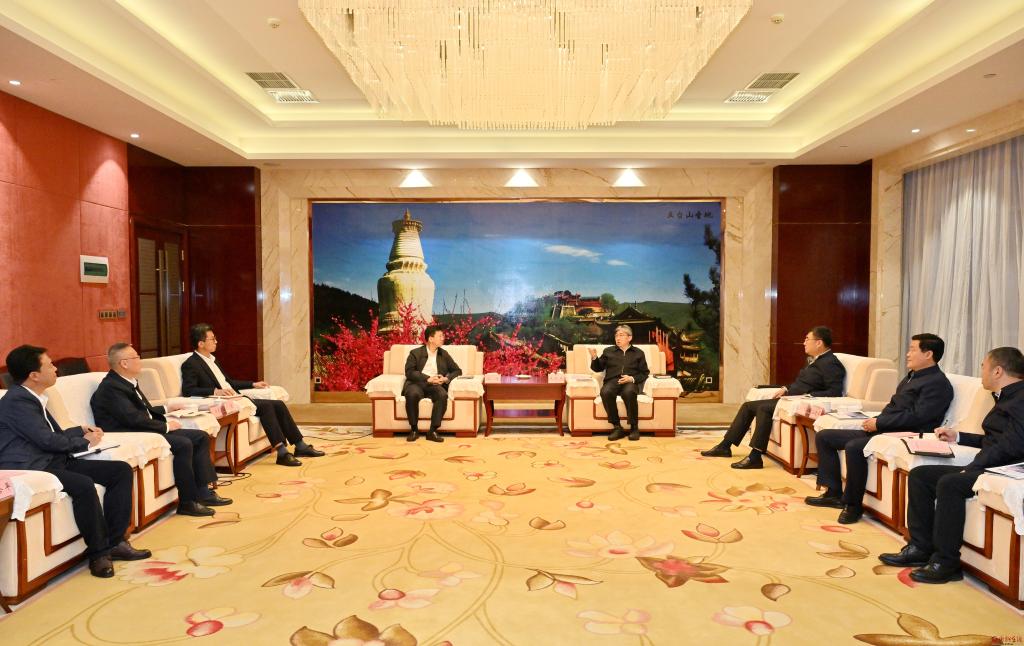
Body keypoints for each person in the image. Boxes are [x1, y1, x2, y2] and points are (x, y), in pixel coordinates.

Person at [0, 345, 150, 578]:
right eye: (50, 364)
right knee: (83, 485)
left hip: (51, 459)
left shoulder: (32, 396)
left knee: (119, 471)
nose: (55, 368)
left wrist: (79, 430)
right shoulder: (17, 402)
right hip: (34, 466)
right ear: (34, 375)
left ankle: (116, 542)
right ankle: (99, 554)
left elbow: (51, 435)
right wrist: (84, 443)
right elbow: (46, 440)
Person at [879, 347, 1024, 584]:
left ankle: (946, 563)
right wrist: (958, 436)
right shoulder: (1008, 397)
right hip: (992, 464)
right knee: (921, 475)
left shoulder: (1020, 399)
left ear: (998, 371)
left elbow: (1012, 446)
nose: (981, 372)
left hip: (1005, 471)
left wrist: (973, 467)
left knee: (950, 483)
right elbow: (994, 440)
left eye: (983, 367)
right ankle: (920, 547)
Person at [806, 333, 954, 524]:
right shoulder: (912, 376)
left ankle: (853, 505)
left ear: (928, 354)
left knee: (854, 446)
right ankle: (833, 493)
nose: (907, 354)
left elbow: (918, 417)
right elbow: (894, 407)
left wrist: (879, 423)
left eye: (912, 349)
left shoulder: (937, 383)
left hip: (905, 434)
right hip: (885, 428)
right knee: (825, 436)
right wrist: (876, 420)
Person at [91, 342, 232, 517]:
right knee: (184, 443)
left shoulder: (125, 381)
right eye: (136, 357)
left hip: (141, 428)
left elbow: (141, 410)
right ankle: (187, 502)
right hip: (129, 433)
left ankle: (203, 493)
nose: (140, 360)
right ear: (124, 363)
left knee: (200, 437)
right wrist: (165, 426)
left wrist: (167, 409)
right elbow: (132, 419)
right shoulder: (111, 388)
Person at [180, 323, 323, 467]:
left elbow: (229, 383)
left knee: (278, 404)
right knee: (266, 407)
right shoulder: (191, 364)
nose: (216, 341)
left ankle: (300, 445)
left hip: (237, 398)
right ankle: (282, 452)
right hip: (225, 402)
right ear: (201, 343)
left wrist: (253, 384)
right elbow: (188, 390)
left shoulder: (213, 360)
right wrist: (214, 391)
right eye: (212, 339)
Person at [702, 326, 845, 469]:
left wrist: (808, 395)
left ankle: (755, 456)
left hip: (800, 402)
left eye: (807, 339)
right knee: (748, 406)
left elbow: (835, 392)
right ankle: (725, 446)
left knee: (764, 408)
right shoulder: (815, 360)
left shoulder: (831, 363)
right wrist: (786, 388)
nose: (804, 343)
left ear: (819, 342)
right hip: (790, 399)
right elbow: (802, 383)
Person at [588, 325, 650, 441]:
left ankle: (634, 427)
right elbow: (598, 368)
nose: (618, 338)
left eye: (621, 335)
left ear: (629, 338)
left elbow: (644, 373)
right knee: (605, 392)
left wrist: (631, 378)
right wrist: (595, 358)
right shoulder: (608, 351)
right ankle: (617, 427)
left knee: (629, 392)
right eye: (616, 335)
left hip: (629, 381)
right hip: (612, 381)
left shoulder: (638, 353)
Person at [403, 326, 462, 443]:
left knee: (442, 395)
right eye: (440, 336)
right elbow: (409, 372)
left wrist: (446, 378)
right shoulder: (415, 353)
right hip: (417, 383)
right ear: (430, 339)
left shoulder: (443, 354)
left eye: (443, 336)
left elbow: (457, 370)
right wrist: (427, 378)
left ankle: (432, 431)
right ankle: (414, 429)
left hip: (435, 386)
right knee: (412, 394)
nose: (443, 338)